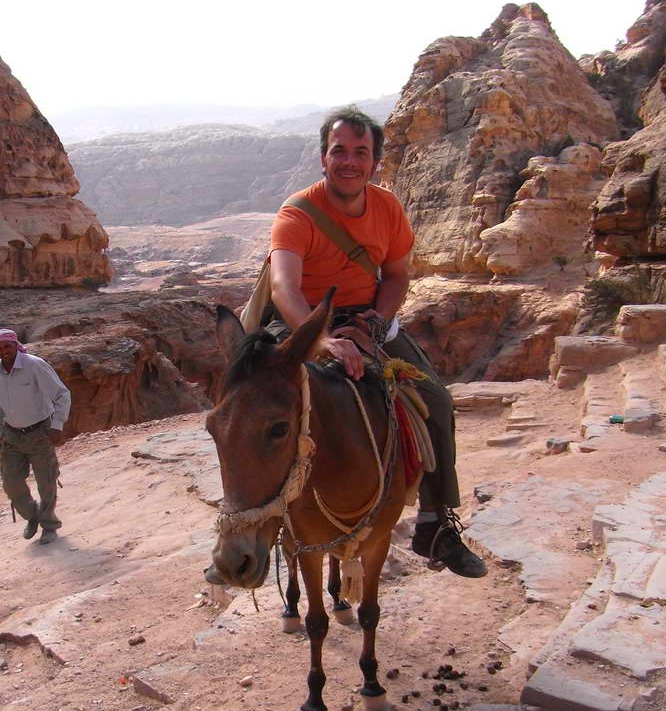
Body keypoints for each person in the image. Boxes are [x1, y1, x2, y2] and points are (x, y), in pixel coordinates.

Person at [208, 106, 485, 582]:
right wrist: (322, 342)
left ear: (375, 161)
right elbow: (285, 289)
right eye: (340, 151)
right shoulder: (297, 213)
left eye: (361, 152)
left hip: (369, 319)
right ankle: (243, 523)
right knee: (251, 409)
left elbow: (397, 275)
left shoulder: (388, 208)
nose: (350, 161)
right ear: (323, 158)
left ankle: (435, 524)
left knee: (436, 401)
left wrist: (375, 325)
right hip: (302, 322)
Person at [0, 328, 71, 545]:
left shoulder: (34, 365)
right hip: (12, 435)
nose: (3, 351)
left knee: (46, 481)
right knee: (11, 483)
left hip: (39, 432)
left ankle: (49, 525)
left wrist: (57, 425)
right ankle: (33, 515)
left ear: (15, 344)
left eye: (7, 346)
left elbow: (62, 394)